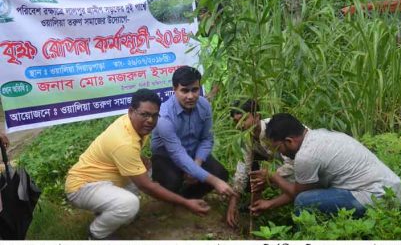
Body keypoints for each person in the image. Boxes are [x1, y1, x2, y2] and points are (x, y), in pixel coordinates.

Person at [65, 89, 210, 240]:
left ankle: (109, 211)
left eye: (154, 115)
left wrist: (139, 158)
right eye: (145, 114)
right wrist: (186, 203)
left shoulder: (133, 124)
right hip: (81, 187)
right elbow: (147, 186)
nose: (150, 120)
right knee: (129, 204)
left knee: (146, 169)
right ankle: (96, 234)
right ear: (131, 111)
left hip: (103, 179)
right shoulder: (123, 142)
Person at [249, 113, 401, 217]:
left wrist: (273, 176)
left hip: (379, 197)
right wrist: (270, 204)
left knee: (304, 202)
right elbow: (306, 188)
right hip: (394, 190)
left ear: (289, 141)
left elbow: (298, 195)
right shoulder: (320, 135)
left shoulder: (306, 156)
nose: (281, 154)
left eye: (279, 148)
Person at [151, 66, 236, 199]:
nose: (190, 96)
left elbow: (207, 138)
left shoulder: (204, 105)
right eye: (184, 91)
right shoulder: (164, 117)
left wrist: (197, 164)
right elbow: (177, 154)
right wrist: (214, 181)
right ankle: (168, 198)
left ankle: (187, 198)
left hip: (193, 153)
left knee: (221, 173)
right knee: (172, 181)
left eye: (195, 90)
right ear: (174, 90)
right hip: (167, 156)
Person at [226, 100, 295, 227]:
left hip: (298, 165)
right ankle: (254, 204)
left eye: (243, 120)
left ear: (257, 116)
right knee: (251, 167)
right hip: (275, 163)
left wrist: (269, 178)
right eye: (236, 122)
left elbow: (292, 165)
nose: (239, 126)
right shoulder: (246, 137)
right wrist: (233, 201)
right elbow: (243, 166)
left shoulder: (275, 130)